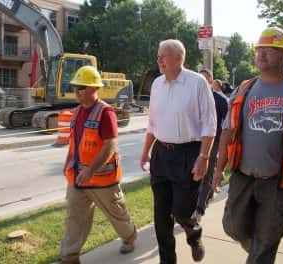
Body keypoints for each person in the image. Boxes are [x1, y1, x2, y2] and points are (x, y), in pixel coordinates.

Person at [212, 27, 283, 264]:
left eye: (270, 50)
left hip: (280, 181)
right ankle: (257, 251)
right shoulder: (244, 88)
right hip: (243, 176)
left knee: (267, 240)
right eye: (259, 50)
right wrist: (218, 168)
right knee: (233, 227)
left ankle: (259, 254)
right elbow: (227, 130)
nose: (262, 55)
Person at [140, 39, 216, 263]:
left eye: (164, 55)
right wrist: (146, 151)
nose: (159, 60)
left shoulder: (197, 83)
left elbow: (209, 125)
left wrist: (204, 157)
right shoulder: (156, 85)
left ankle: (193, 232)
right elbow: (152, 122)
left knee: (182, 210)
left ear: (179, 58)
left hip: (188, 154)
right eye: (158, 56)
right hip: (161, 155)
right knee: (161, 215)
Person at [60, 66, 137, 264]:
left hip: (102, 179)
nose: (78, 91)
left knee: (116, 213)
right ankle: (70, 256)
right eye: (76, 87)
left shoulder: (106, 113)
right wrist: (67, 163)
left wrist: (90, 170)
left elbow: (110, 144)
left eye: (83, 87)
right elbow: (74, 143)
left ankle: (129, 237)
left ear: (95, 89)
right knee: (75, 218)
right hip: (78, 178)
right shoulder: (76, 113)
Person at [198, 69, 229, 216]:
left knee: (207, 171)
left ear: (211, 81)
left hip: (213, 141)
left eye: (205, 79)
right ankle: (204, 194)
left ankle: (200, 206)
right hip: (194, 141)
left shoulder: (221, 100)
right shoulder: (192, 97)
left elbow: (226, 123)